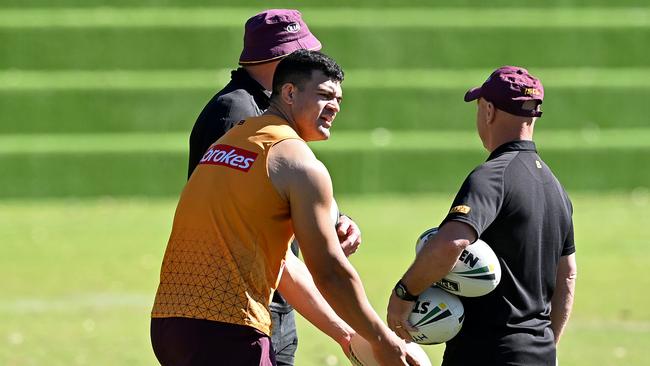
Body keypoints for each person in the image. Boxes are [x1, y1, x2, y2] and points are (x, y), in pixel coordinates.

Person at [152, 50, 417, 366]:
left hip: (170, 324)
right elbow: (330, 270)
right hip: (228, 328)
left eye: (339, 100)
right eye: (324, 95)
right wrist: (381, 339)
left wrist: (347, 335)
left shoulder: (233, 140)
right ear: (289, 93)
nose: (334, 107)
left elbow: (284, 266)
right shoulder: (298, 163)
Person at [186, 9, 361, 365]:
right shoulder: (236, 112)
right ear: (277, 58)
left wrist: (335, 218)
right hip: (241, 301)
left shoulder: (273, 108)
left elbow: (290, 180)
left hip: (271, 290)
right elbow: (232, 208)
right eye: (299, 52)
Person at [386, 66, 578, 365]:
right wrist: (545, 344)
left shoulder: (492, 176)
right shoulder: (556, 188)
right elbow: (567, 273)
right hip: (539, 353)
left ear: (488, 110)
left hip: (485, 352)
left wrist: (403, 296)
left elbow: (452, 242)